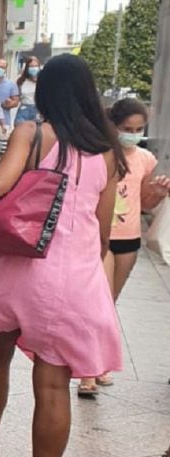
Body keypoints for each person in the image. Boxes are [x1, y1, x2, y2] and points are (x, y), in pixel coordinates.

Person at [0, 54, 127, 457]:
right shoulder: (109, 152)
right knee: (54, 383)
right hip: (77, 277)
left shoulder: (32, 133)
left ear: (46, 91)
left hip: (23, 267)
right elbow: (104, 230)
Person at [78, 100, 170, 397]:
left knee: (110, 304)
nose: (132, 134)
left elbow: (145, 203)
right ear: (113, 126)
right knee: (99, 304)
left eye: (138, 129)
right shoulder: (100, 153)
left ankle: (100, 363)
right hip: (99, 237)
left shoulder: (146, 159)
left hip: (129, 240)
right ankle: (87, 373)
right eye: (126, 129)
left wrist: (156, 192)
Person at [14, 56, 41, 125]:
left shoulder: (43, 81)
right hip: (24, 109)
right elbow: (17, 97)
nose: (33, 68)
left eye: (35, 66)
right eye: (31, 66)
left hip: (38, 110)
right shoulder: (21, 81)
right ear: (27, 68)